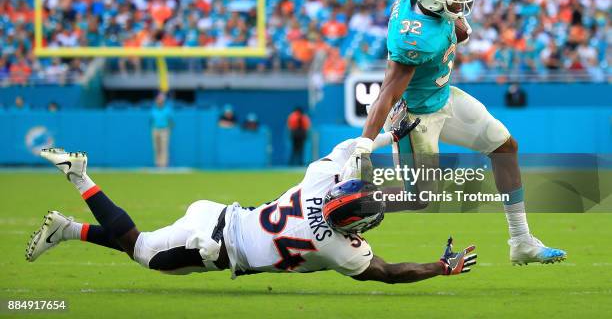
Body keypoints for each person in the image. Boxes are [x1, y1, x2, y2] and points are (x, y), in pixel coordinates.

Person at [26, 118, 477, 282]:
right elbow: (391, 273)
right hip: (219, 248)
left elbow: (355, 147)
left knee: (142, 244)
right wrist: (441, 267)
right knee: (141, 252)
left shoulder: (320, 179)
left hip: (218, 214)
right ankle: (81, 179)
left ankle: (67, 229)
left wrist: (388, 135)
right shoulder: (337, 248)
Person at [341, 0, 565, 265]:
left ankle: (522, 241)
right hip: (416, 118)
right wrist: (365, 142)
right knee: (419, 199)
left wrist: (455, 20)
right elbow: (389, 91)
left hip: (443, 96)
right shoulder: (415, 37)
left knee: (504, 146)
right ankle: (341, 203)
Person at [150, 93, 173, 168]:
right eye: (159, 99)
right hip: (155, 129)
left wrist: (169, 129)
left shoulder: (167, 110)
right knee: (156, 147)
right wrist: (153, 128)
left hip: (164, 130)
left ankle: (164, 164)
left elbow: (171, 120)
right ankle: (157, 163)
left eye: (162, 99)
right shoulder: (153, 110)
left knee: (164, 147)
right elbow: (150, 120)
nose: (160, 101)